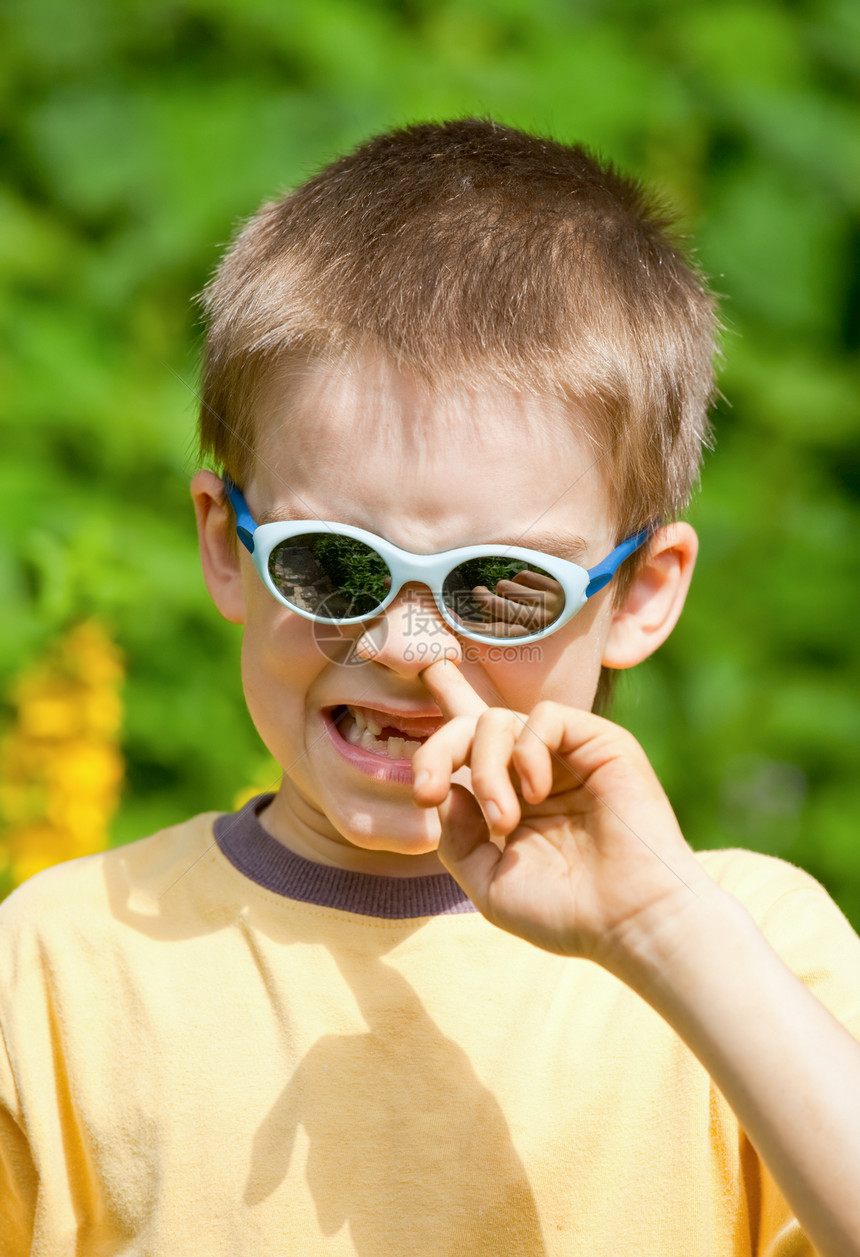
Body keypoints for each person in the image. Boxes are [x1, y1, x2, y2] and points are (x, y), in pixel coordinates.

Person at [1, 119, 859, 1257]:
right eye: (332, 564)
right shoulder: (62, 963)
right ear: (225, 544)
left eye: (498, 586)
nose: (404, 641)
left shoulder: (749, 950)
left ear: (643, 591)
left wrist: (660, 931)